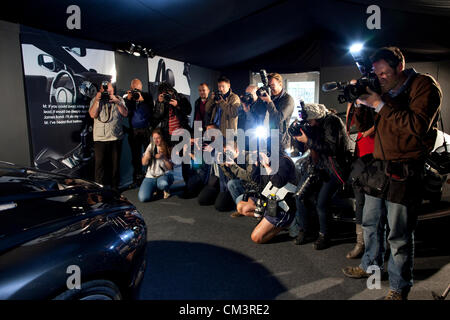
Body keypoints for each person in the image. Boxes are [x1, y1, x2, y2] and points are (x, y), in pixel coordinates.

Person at [342, 47, 442, 300]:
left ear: (400, 66)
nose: (381, 78)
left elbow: (417, 126)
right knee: (371, 223)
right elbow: (363, 127)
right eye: (377, 73)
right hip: (378, 167)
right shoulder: (383, 90)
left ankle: (399, 287)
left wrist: (379, 104)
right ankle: (370, 267)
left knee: (398, 235)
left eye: (385, 73)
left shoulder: (424, 86)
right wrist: (362, 102)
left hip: (405, 169)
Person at [289, 103, 350, 250]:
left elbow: (332, 148)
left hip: (334, 168)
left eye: (309, 121)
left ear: (316, 117)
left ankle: (324, 235)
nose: (309, 124)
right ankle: (305, 230)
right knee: (300, 196)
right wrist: (297, 137)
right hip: (318, 166)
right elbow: (302, 150)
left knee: (321, 203)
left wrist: (308, 140)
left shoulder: (332, 122)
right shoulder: (314, 124)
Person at [236, 148, 297, 244]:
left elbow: (278, 182)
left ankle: (287, 224)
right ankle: (269, 219)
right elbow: (256, 180)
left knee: (256, 238)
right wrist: (255, 165)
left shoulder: (283, 161)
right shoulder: (265, 161)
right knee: (241, 207)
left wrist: (266, 166)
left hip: (283, 205)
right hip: (270, 200)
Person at [345, 99, 375, 259]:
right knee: (360, 204)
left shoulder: (377, 106)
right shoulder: (357, 109)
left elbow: (366, 129)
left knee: (373, 209)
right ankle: (360, 243)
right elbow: (350, 126)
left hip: (375, 162)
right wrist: (352, 103)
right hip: (360, 162)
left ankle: (372, 247)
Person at [89, 81, 128, 191]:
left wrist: (117, 102)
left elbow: (125, 114)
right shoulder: (96, 99)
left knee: (115, 166)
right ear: (100, 90)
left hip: (115, 137)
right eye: (104, 89)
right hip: (100, 138)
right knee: (99, 166)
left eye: (109, 88)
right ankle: (99, 189)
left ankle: (115, 188)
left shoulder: (119, 99)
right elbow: (92, 114)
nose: (107, 91)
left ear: (113, 89)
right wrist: (97, 100)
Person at [153, 82, 192, 184]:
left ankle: (188, 183)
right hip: (168, 134)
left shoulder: (180, 97)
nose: (166, 95)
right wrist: (159, 103)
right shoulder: (162, 101)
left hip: (182, 134)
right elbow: (157, 117)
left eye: (167, 92)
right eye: (163, 93)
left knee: (185, 160)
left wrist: (178, 104)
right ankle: (166, 184)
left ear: (171, 90)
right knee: (167, 160)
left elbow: (188, 110)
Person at [125, 78, 154, 186]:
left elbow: (151, 108)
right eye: (133, 89)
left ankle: (151, 177)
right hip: (134, 132)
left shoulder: (147, 96)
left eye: (137, 89)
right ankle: (137, 179)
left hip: (146, 130)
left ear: (141, 88)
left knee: (149, 155)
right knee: (135, 157)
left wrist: (140, 98)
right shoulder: (130, 98)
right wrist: (128, 100)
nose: (135, 91)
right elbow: (127, 113)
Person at [258, 73, 294, 151]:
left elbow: (278, 118)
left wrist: (269, 102)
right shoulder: (270, 97)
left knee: (277, 163)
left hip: (280, 142)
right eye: (269, 86)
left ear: (280, 84)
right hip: (267, 139)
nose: (270, 88)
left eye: (272, 85)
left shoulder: (288, 99)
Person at [138, 128, 174, 202]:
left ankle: (165, 189)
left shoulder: (168, 147)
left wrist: (163, 157)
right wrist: (146, 157)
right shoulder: (151, 146)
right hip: (150, 177)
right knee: (143, 198)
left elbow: (171, 168)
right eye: (154, 138)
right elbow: (143, 163)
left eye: (158, 138)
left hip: (163, 175)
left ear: (162, 137)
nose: (156, 140)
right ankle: (154, 188)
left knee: (163, 184)